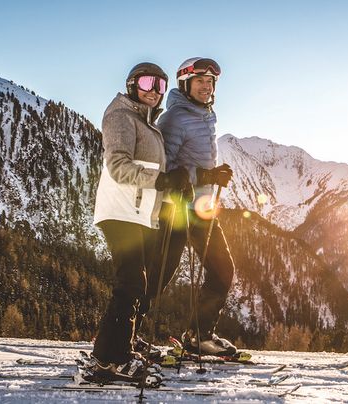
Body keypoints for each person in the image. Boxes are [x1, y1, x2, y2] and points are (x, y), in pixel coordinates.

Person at [89, 62, 191, 381]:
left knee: (138, 283)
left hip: (140, 213)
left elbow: (153, 173)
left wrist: (175, 188)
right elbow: (119, 166)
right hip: (120, 211)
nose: (153, 91)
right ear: (133, 84)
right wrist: (161, 180)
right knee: (130, 283)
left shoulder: (148, 123)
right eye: (148, 83)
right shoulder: (121, 115)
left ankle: (118, 345)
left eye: (160, 86)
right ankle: (112, 358)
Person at [153, 57, 238, 356]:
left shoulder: (205, 115)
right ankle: (124, 337)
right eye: (200, 81)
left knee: (222, 269)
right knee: (159, 274)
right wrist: (205, 175)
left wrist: (213, 175)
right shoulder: (174, 118)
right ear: (186, 84)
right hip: (175, 207)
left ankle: (199, 336)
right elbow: (166, 168)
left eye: (210, 82)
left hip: (201, 207)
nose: (206, 86)